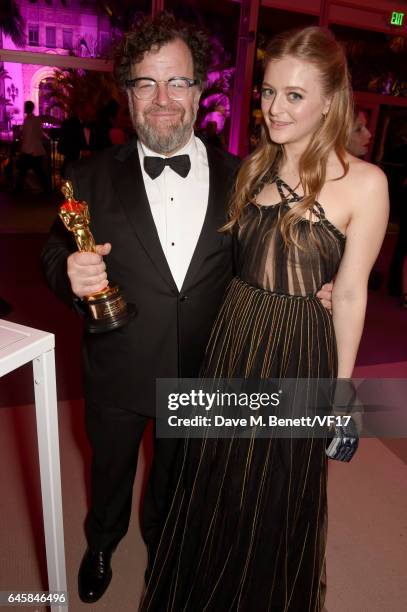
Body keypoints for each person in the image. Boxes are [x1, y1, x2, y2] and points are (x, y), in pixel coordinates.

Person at [41, 13, 332, 604]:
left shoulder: (247, 177)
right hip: (117, 363)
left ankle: (164, 551)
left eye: (177, 82)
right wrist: (68, 273)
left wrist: (315, 288)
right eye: (146, 84)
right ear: (128, 95)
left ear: (201, 90)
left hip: (206, 365)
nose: (163, 98)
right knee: (110, 470)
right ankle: (101, 542)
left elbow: (272, 253)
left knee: (179, 480)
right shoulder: (88, 175)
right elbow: (54, 247)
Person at [140, 26, 389, 611]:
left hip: (299, 348)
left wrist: (343, 396)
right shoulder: (253, 166)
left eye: (294, 96)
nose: (275, 108)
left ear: (330, 100)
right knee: (215, 476)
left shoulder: (366, 184)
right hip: (234, 336)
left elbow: (351, 295)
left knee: (275, 489)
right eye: (269, 92)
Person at [14, 101, 49, 193]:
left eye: (25, 107)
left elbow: (27, 136)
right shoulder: (35, 120)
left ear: (27, 108)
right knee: (37, 172)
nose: (24, 108)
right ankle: (47, 190)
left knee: (25, 171)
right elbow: (40, 134)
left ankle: (18, 190)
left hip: (30, 151)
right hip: (35, 150)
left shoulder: (29, 120)